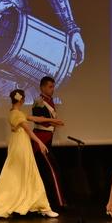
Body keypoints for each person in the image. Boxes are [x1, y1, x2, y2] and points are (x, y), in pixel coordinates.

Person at [0, 89, 63, 218]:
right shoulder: (16, 114)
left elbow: (33, 118)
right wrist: (40, 142)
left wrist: (52, 120)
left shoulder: (15, 113)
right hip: (21, 147)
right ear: (21, 100)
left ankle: (41, 206)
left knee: (22, 175)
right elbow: (29, 131)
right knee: (28, 174)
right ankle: (43, 207)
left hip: (19, 145)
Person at [31, 76, 66, 210]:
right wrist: (54, 122)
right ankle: (59, 203)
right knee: (52, 171)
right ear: (42, 87)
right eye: (50, 87)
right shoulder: (39, 101)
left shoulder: (49, 101)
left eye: (53, 87)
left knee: (48, 172)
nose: (53, 89)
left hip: (47, 140)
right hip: (41, 140)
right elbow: (38, 119)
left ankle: (50, 202)